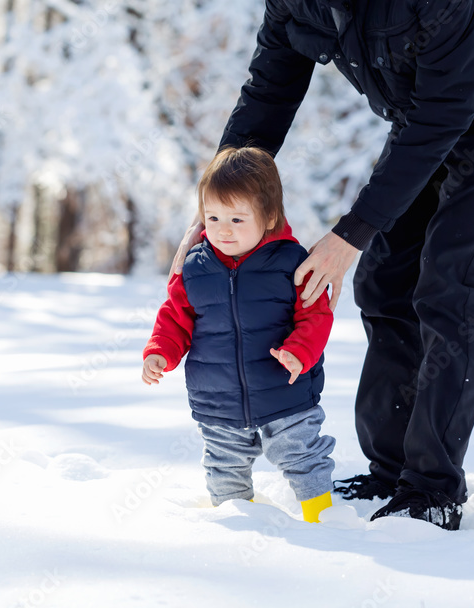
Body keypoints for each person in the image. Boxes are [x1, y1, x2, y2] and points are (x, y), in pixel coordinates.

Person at [170, 0, 474, 530]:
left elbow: (449, 110)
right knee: (383, 282)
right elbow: (270, 90)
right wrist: (216, 210)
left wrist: (351, 232)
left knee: (449, 288)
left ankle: (433, 488)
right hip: (420, 114)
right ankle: (391, 468)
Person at [143, 147, 337, 523]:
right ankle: (238, 529)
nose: (222, 229)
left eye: (236, 218)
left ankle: (323, 521)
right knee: (224, 470)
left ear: (268, 217)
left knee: (303, 458)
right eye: (212, 217)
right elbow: (175, 317)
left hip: (286, 392)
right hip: (218, 400)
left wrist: (298, 352)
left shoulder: (293, 263)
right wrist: (160, 352)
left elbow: (316, 315)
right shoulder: (195, 268)